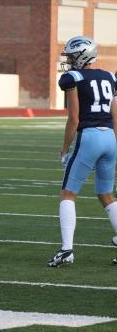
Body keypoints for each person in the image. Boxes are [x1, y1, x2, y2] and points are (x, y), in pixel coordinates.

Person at [49, 36, 117, 267]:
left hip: (89, 137)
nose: (68, 60)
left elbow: (74, 118)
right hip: (110, 137)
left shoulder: (74, 78)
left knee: (68, 194)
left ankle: (66, 250)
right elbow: (115, 115)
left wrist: (64, 148)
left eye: (70, 56)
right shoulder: (110, 77)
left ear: (81, 55)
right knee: (106, 195)